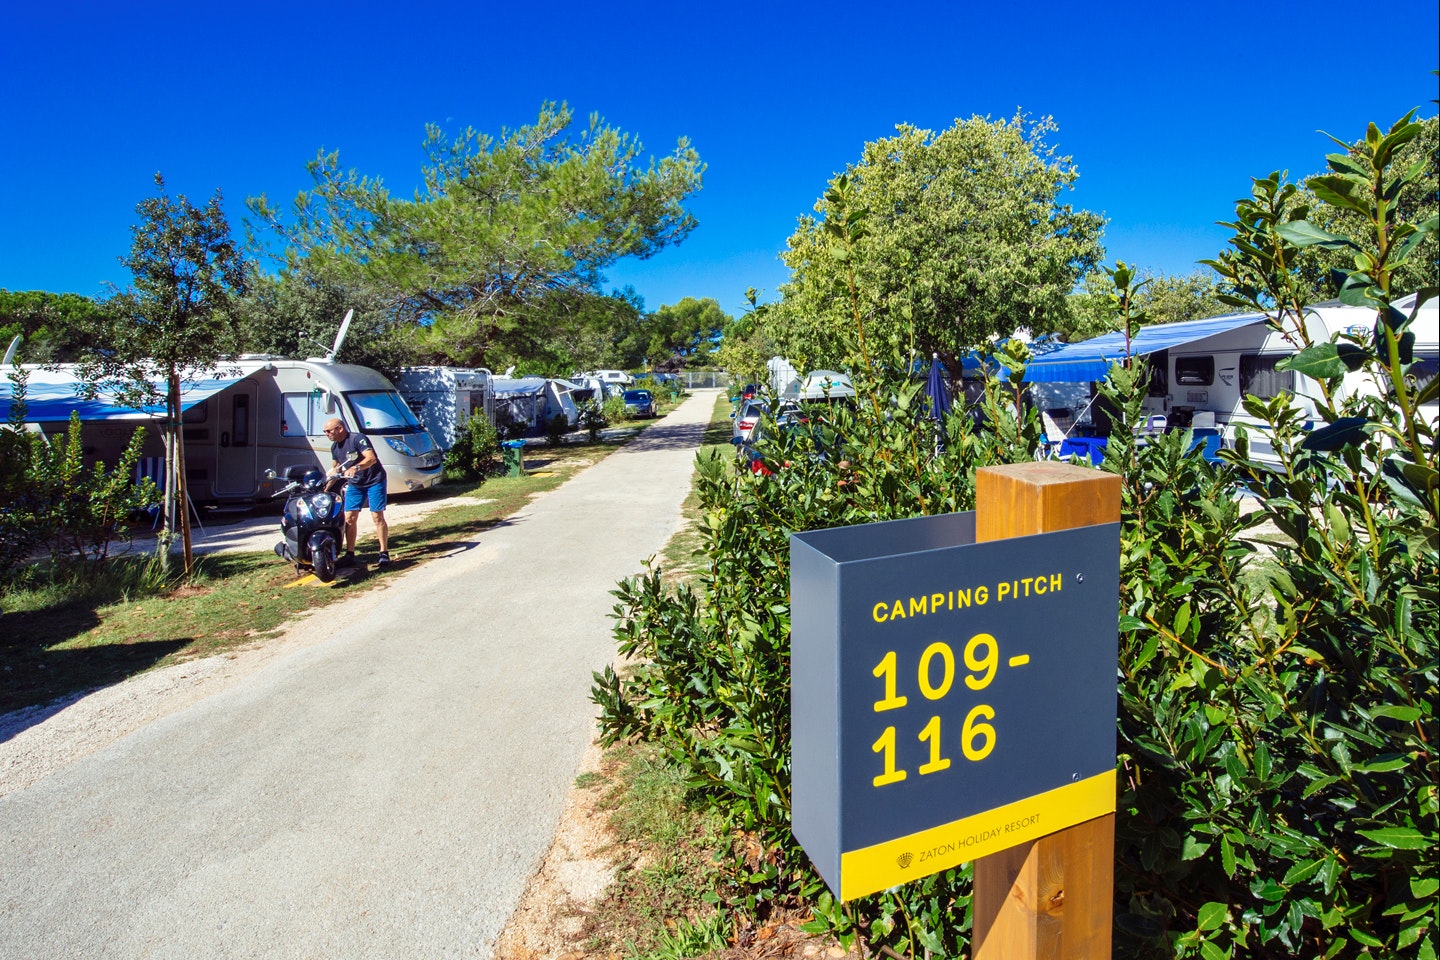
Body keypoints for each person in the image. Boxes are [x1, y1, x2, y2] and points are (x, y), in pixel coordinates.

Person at [324, 417, 390, 567]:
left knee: (377, 516)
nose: (326, 434)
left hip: (375, 480)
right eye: (325, 432)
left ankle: (383, 553)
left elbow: (371, 458)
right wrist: (325, 488)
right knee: (349, 518)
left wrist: (356, 467)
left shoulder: (357, 439)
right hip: (355, 484)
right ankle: (350, 554)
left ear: (339, 428)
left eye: (328, 431)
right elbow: (336, 469)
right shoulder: (335, 447)